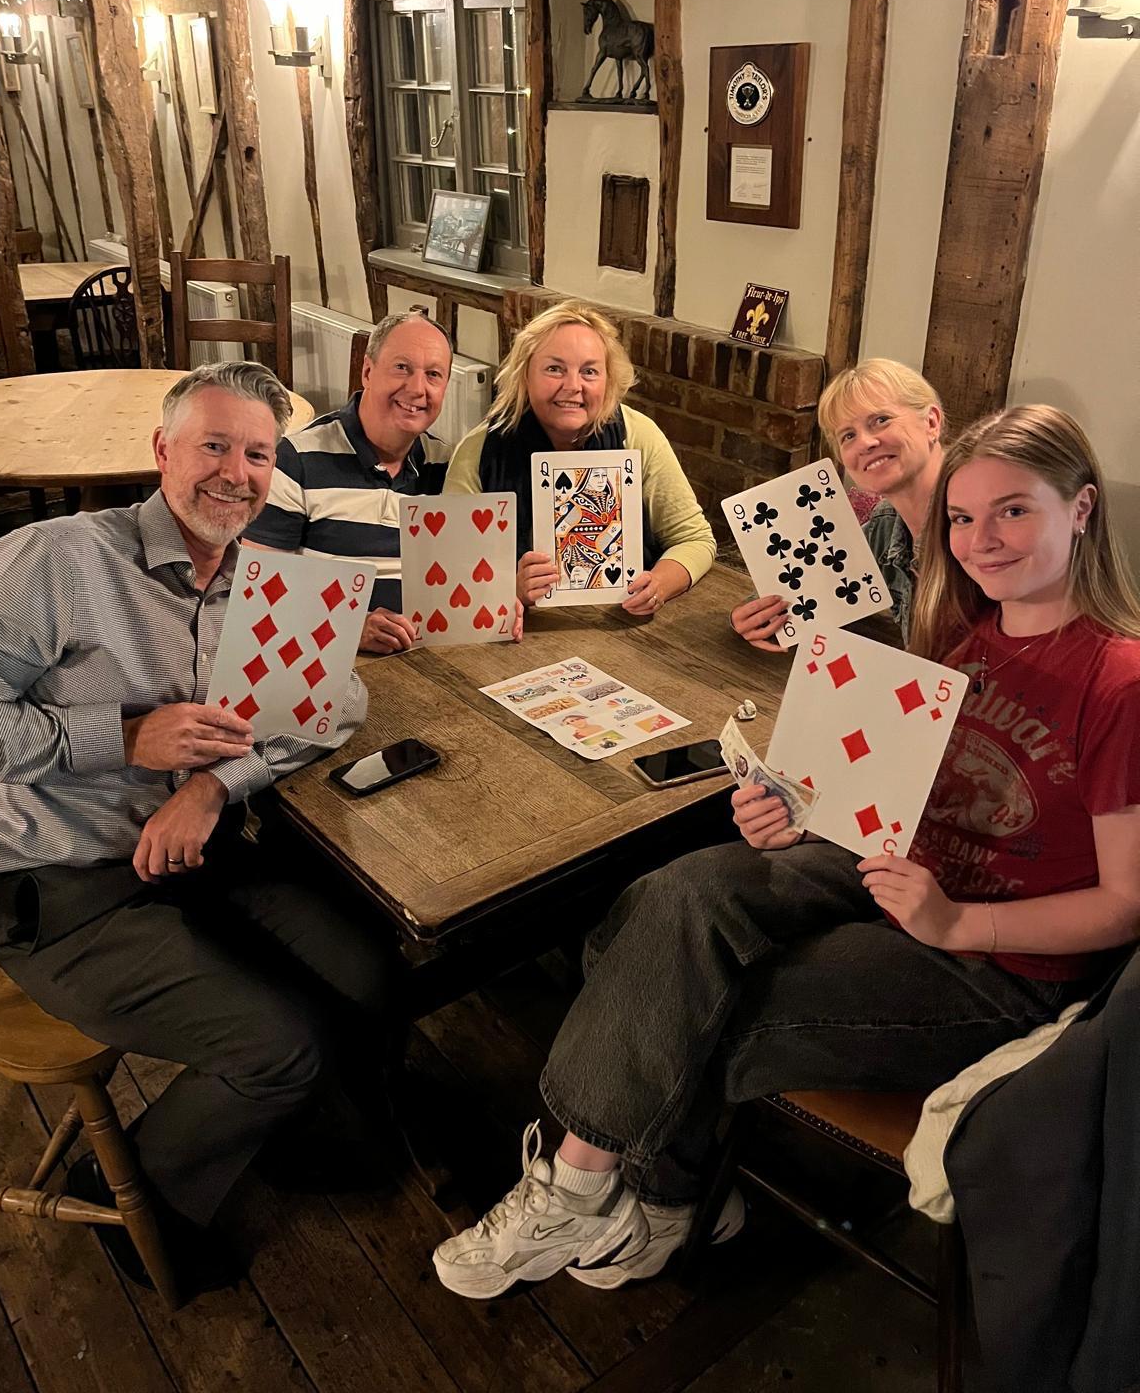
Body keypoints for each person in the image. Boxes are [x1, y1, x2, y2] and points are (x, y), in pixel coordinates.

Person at [432, 404, 1140, 1299]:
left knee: (695, 998)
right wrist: (806, 813)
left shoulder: (1121, 680)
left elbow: (1126, 905)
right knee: (665, 902)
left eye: (1013, 510)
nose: (980, 539)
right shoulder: (971, 635)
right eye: (962, 517)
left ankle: (606, 1190)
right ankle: (652, 1194)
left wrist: (962, 922)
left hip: (1002, 965)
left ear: (1080, 509)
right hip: (898, 872)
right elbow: (904, 791)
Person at [0, 363, 394, 1292]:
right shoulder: (58, 559)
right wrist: (121, 739)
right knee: (279, 1044)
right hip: (65, 891)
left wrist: (218, 785)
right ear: (161, 453)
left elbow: (337, 704)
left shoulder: (267, 580)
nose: (236, 472)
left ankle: (289, 1128)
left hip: (202, 857)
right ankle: (138, 1194)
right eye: (214, 446)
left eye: (259, 454)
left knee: (371, 970)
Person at [445, 300, 715, 618]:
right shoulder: (480, 450)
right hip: (521, 638)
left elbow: (694, 539)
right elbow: (449, 572)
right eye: (555, 369)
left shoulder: (638, 436)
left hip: (627, 628)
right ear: (525, 375)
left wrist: (658, 585)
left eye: (589, 371)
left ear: (608, 380)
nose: (573, 386)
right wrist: (507, 589)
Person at [246, 308, 452, 654]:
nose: (418, 389)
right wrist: (346, 628)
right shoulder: (295, 461)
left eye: (433, 375)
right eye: (402, 368)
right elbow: (255, 597)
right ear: (368, 371)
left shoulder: (445, 465)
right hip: (326, 663)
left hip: (430, 660)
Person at [732, 358, 944, 650]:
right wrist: (752, 618)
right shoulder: (886, 526)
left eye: (881, 420)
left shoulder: (982, 521)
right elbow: (804, 587)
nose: (865, 443)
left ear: (931, 422)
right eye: (848, 435)